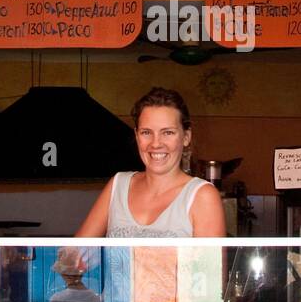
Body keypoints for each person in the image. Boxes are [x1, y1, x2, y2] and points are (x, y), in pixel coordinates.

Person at [75, 87, 226, 238]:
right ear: (136, 135)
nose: (155, 144)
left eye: (167, 132)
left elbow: (209, 263)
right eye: (146, 132)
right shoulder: (118, 185)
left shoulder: (202, 195)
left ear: (186, 137)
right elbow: (73, 254)